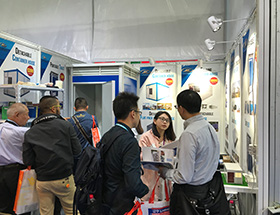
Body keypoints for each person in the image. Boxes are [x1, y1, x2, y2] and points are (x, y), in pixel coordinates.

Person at [158, 89, 230, 214]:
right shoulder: (209, 127)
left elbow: (183, 176)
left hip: (189, 196)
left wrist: (165, 172)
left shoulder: (189, 134)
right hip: (206, 192)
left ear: (181, 109)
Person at [23, 96, 82, 215]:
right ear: (54, 109)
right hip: (63, 178)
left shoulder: (30, 131)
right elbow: (77, 151)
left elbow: (27, 160)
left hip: (42, 180)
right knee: (71, 210)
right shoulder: (66, 126)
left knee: (45, 212)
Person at [101, 92, 149, 215]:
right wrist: (145, 190)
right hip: (122, 204)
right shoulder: (129, 141)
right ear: (133, 114)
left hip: (105, 199)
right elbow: (132, 182)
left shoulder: (108, 135)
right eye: (138, 113)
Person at [0, 103, 30, 215]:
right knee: (21, 208)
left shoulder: (1, 127)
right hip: (15, 173)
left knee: (3, 207)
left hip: (1, 172)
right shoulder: (21, 132)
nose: (28, 117)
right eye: (26, 114)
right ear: (17, 115)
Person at [139, 111, 176, 201]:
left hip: (165, 178)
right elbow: (141, 156)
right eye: (162, 119)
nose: (165, 122)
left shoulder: (171, 140)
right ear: (155, 121)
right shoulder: (146, 137)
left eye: (167, 120)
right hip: (150, 178)